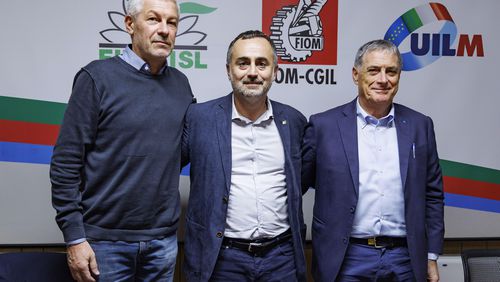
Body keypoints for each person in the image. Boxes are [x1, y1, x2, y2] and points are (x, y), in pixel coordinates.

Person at [50, 0, 194, 281]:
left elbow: (179, 152)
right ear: (130, 24)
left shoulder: (181, 84)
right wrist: (74, 238)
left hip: (163, 243)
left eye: (172, 22)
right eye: (153, 19)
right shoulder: (96, 78)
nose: (164, 30)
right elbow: (65, 163)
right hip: (104, 244)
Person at [302, 39, 444, 282]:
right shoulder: (323, 126)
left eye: (391, 71)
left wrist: (431, 256)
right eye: (374, 70)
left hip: (405, 257)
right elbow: (296, 188)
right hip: (346, 257)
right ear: (356, 75)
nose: (383, 79)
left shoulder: (420, 126)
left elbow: (432, 194)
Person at [181, 30, 307, 281]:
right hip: (221, 258)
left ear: (275, 71)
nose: (252, 72)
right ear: (229, 70)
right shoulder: (199, 118)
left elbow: (304, 178)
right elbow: (162, 168)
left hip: (281, 258)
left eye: (262, 64)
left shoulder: (293, 121)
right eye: (243, 63)